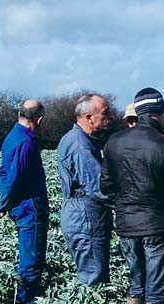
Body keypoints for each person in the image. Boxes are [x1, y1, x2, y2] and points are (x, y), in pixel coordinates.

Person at [101, 88, 164, 304]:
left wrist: (122, 207)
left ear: (137, 111)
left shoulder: (113, 142)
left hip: (126, 223)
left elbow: (106, 186)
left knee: (136, 276)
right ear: (159, 112)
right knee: (156, 282)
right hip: (157, 224)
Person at [0, 99, 48, 304]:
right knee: (32, 258)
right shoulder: (27, 141)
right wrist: (3, 204)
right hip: (30, 207)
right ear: (39, 119)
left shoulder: (12, 136)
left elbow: (2, 173)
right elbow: (15, 178)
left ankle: (25, 298)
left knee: (29, 254)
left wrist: (6, 200)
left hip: (21, 206)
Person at [57, 94, 113, 286]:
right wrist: (131, 204)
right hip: (86, 218)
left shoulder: (71, 138)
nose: (109, 118)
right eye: (104, 114)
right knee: (94, 280)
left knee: (91, 273)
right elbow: (98, 188)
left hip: (77, 214)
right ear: (89, 117)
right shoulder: (82, 147)